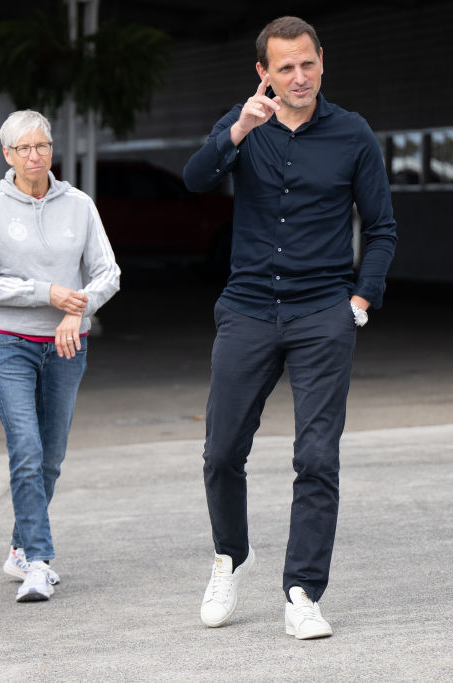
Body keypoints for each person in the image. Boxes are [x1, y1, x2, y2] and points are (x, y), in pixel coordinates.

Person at [183, 16, 397, 639]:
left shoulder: (353, 134)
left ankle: (302, 592)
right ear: (264, 74)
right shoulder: (244, 121)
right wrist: (239, 131)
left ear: (321, 61)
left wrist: (360, 299)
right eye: (285, 68)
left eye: (307, 64)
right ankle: (230, 556)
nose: (298, 77)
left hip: (321, 313)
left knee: (317, 456)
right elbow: (196, 180)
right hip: (247, 307)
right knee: (221, 451)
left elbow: (380, 226)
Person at [0, 110, 121, 603]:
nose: (35, 156)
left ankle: (17, 546)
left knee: (50, 458)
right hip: (6, 341)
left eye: (42, 146)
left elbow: (107, 273)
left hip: (67, 344)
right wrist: (47, 294)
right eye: (23, 148)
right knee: (27, 451)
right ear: (7, 154)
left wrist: (77, 309)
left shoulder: (79, 205)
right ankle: (37, 561)